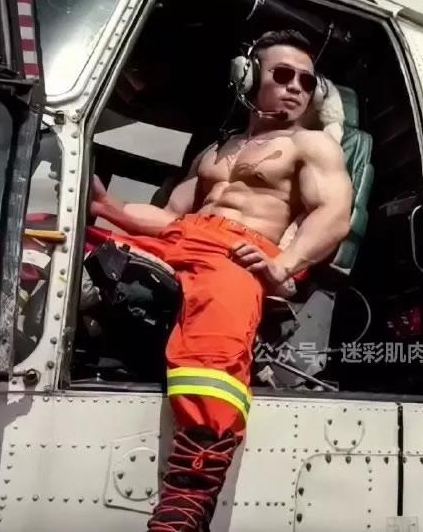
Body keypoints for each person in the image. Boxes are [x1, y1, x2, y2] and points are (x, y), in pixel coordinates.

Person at [88, 29, 353, 531]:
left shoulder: (312, 145)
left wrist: (284, 264)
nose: (296, 87)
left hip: (240, 251)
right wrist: (108, 209)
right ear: (248, 77)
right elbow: (170, 218)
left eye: (306, 81)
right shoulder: (216, 150)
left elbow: (333, 215)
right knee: (55, 239)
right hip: (183, 236)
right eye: (282, 75)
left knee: (215, 337)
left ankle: (188, 498)